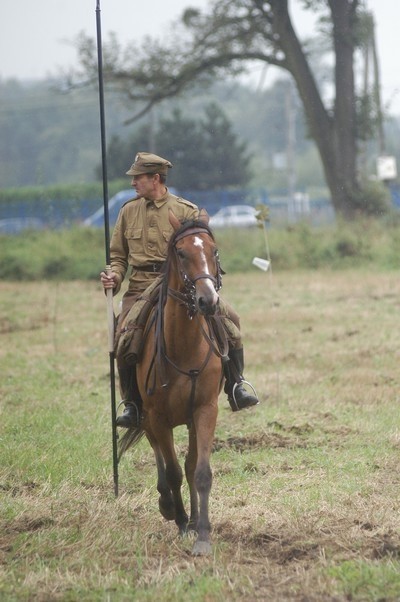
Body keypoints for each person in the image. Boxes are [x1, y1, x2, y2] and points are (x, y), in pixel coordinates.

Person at [100, 151, 258, 428]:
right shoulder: (128, 211)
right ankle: (133, 404)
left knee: (231, 320)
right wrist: (114, 275)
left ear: (155, 178)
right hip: (140, 286)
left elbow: (204, 252)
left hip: (182, 286)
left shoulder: (186, 210)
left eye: (138, 178)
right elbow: (118, 256)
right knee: (124, 335)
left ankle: (236, 385)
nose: (133, 183)